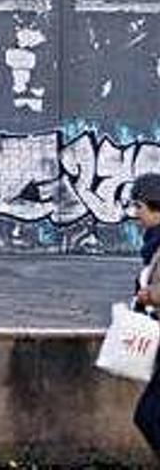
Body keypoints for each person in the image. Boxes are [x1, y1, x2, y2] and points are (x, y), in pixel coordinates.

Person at [131, 173, 160, 455]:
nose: (136, 214)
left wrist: (149, 295)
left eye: (138, 207)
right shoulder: (153, 244)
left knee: (149, 416)